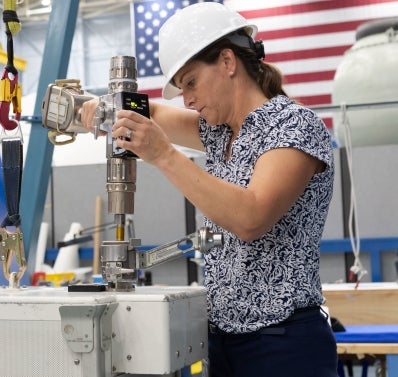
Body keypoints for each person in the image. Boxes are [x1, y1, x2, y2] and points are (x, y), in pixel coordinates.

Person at [81, 3, 337, 376]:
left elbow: (251, 217)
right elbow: (148, 113)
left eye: (190, 82)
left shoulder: (294, 125)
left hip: (284, 345)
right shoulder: (219, 132)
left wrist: (164, 155)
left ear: (228, 62)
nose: (186, 99)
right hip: (222, 341)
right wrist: (95, 107)